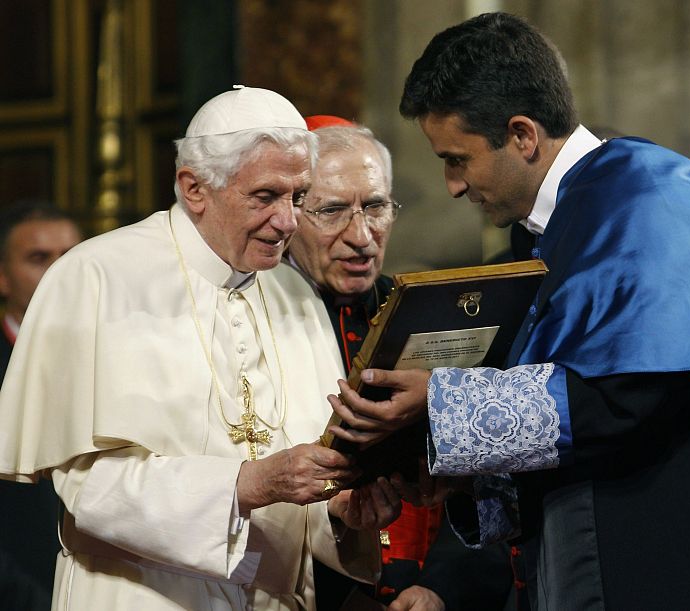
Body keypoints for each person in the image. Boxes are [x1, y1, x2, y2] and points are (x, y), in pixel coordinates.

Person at [327, 12, 690, 610]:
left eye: (457, 159)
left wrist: (442, 401)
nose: (451, 185)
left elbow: (631, 392)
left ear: (522, 135)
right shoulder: (547, 230)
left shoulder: (646, 196)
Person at [0, 86, 401, 611]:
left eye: (297, 197)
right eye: (265, 196)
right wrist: (247, 484)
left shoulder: (295, 294)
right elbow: (88, 490)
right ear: (194, 188)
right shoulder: (96, 277)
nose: (287, 222)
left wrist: (340, 513)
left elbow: (304, 498)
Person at [289, 116, 512, 610]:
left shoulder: (430, 312)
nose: (361, 236)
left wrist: (442, 586)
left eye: (374, 207)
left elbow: (489, 466)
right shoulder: (262, 327)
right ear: (289, 213)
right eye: (331, 211)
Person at [0, 200, 81, 611]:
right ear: (2, 276)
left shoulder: (123, 359)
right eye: (39, 258)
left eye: (70, 257)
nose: (60, 272)